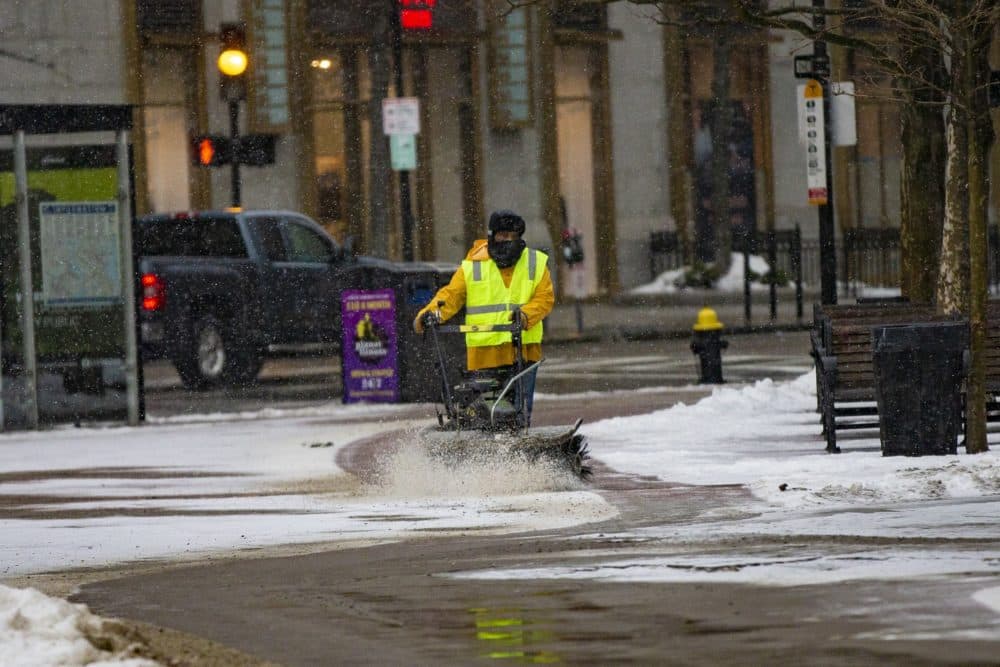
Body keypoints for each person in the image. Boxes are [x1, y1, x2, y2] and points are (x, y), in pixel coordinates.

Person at [414, 210, 554, 425]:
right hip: (484, 352)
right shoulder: (473, 266)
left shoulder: (535, 263)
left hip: (523, 351)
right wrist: (431, 314)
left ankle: (517, 446)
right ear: (492, 236)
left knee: (519, 413)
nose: (507, 241)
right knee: (483, 411)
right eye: (502, 236)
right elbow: (451, 295)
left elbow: (544, 298)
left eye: (512, 237)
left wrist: (525, 316)